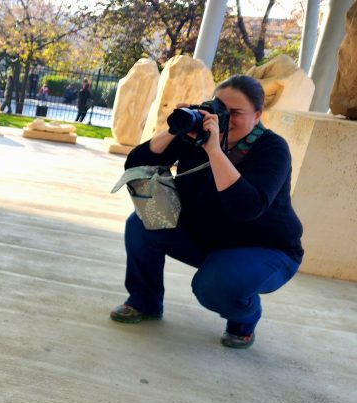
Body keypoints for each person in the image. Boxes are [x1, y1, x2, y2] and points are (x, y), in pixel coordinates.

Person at [110, 75, 303, 349]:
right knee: (141, 225)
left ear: (258, 115)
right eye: (220, 108)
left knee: (212, 287)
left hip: (263, 249)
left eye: (235, 112)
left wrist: (214, 150)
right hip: (208, 238)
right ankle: (144, 301)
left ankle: (244, 319)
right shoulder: (198, 136)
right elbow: (137, 164)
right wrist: (176, 128)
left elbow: (247, 207)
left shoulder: (272, 149)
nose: (225, 118)